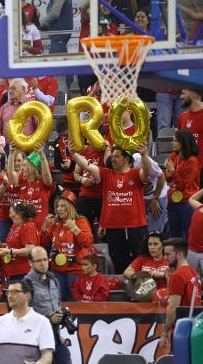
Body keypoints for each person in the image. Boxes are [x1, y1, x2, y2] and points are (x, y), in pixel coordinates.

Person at [71, 142, 152, 276]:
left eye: (116, 156)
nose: (112, 159)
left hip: (136, 227)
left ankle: (141, 291)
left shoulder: (136, 174)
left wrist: (144, 156)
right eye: (112, 156)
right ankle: (124, 290)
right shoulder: (107, 174)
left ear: (126, 159)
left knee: (141, 260)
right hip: (114, 229)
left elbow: (148, 172)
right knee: (118, 261)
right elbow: (87, 165)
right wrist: (73, 154)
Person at [24, 246, 81, 364]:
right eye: (39, 261)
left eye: (45, 260)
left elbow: (58, 306)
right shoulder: (26, 285)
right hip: (36, 344)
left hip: (56, 339)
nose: (43, 264)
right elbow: (23, 316)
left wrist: (61, 317)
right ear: (30, 263)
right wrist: (48, 318)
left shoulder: (54, 281)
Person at [40, 190, 93, 301]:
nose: (59, 209)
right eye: (58, 206)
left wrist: (74, 228)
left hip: (76, 270)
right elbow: (43, 243)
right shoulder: (55, 223)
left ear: (70, 207)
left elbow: (87, 242)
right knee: (58, 302)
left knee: (76, 303)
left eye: (63, 206)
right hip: (57, 270)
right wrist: (44, 227)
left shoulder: (80, 221)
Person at [160, 237, 202, 349]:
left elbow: (173, 308)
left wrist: (164, 332)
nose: (165, 258)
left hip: (182, 331)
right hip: (195, 329)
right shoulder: (193, 272)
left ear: (179, 255)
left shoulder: (178, 275)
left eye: (168, 254)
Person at [165, 129, 200, 239]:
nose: (172, 143)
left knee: (188, 236)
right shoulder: (173, 157)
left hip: (186, 203)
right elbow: (168, 179)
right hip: (172, 202)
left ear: (183, 142)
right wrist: (169, 174)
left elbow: (183, 185)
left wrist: (173, 172)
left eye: (175, 141)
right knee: (175, 237)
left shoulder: (192, 161)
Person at [0, 201, 39, 283]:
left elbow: (29, 250)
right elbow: (12, 245)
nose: (10, 216)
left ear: (20, 214)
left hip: (24, 273)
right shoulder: (15, 226)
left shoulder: (28, 227)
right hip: (13, 271)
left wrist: (9, 251)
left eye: (12, 213)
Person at [0, 149, 25, 239]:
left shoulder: (26, 175)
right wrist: (4, 184)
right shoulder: (3, 174)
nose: (16, 163)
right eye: (14, 160)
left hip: (21, 217)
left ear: (23, 162)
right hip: (4, 216)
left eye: (19, 160)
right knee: (2, 243)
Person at [178, 88, 203, 185]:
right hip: (188, 171)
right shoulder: (182, 117)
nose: (181, 97)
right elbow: (180, 144)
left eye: (183, 93)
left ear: (192, 94)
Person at [0, 78, 35, 143]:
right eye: (9, 88)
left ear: (23, 89)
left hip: (27, 147)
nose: (10, 91)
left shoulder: (32, 105)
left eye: (13, 88)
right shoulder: (4, 107)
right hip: (7, 148)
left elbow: (40, 126)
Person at [188, 187, 203, 274]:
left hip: (193, 252)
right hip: (192, 252)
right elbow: (191, 199)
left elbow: (191, 199)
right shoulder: (199, 207)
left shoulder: (199, 207)